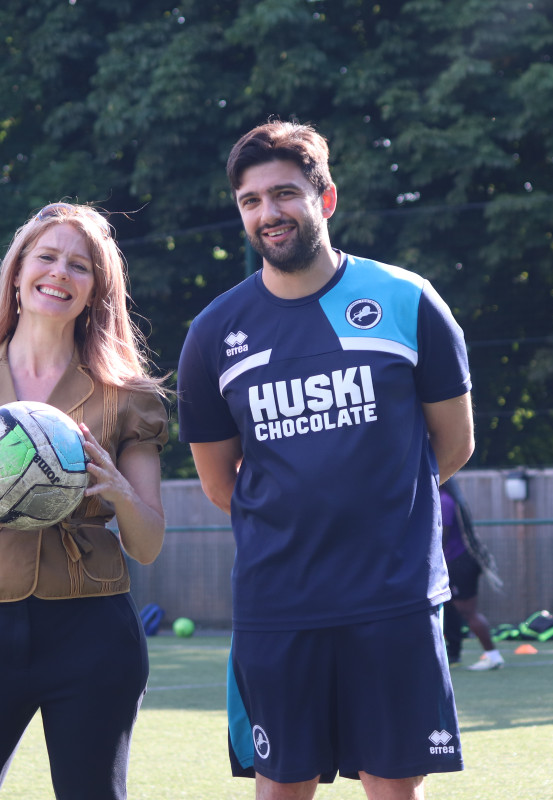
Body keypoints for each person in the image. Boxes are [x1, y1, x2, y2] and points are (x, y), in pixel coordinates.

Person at [177, 121, 474, 800]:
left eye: (284, 194)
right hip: (278, 605)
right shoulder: (213, 334)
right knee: (282, 789)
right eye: (251, 201)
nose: (268, 213)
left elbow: (451, 447)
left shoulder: (407, 300)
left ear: (326, 199)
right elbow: (220, 483)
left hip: (393, 598)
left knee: (395, 789)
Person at [0, 201, 170, 800]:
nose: (61, 273)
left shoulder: (128, 399)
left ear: (95, 291)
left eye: (80, 266)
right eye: (46, 257)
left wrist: (118, 488)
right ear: (18, 274)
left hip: (93, 632)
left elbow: (148, 544)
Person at [440, 477, 504, 671]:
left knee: (468, 612)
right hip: (458, 562)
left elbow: (441, 537)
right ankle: (452, 655)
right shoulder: (447, 499)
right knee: (451, 611)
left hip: (459, 563)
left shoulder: (443, 501)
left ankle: (493, 656)